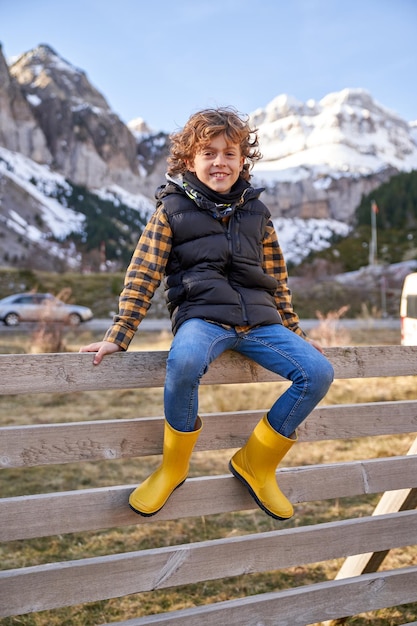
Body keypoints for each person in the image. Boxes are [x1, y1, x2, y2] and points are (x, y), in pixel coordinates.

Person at [79, 107, 334, 520]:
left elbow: (278, 278)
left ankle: (256, 462)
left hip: (261, 324)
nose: (220, 162)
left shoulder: (258, 214)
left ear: (242, 160)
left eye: (229, 153)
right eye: (209, 153)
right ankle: (173, 466)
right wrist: (120, 332)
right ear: (189, 161)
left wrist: (294, 330)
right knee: (185, 361)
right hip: (203, 318)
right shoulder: (172, 209)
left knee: (318, 372)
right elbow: (143, 272)